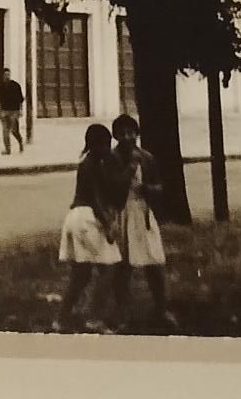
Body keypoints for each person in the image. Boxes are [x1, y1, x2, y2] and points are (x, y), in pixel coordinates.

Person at [54, 123, 124, 333]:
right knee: (108, 268)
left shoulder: (89, 162)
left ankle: (62, 317)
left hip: (75, 217)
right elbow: (96, 199)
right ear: (96, 145)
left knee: (81, 274)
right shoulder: (91, 165)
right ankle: (93, 316)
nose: (108, 148)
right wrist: (108, 225)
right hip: (87, 218)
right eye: (105, 144)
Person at [109, 114, 174, 331]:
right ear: (116, 136)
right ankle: (122, 313)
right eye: (122, 133)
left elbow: (159, 187)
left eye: (132, 132)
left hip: (142, 212)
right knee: (123, 265)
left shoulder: (147, 158)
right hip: (121, 212)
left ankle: (161, 309)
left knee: (154, 262)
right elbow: (112, 188)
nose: (128, 137)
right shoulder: (112, 159)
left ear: (137, 134)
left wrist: (147, 189)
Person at [0, 67, 26, 155]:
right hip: (5, 110)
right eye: (5, 75)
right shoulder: (1, 86)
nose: (7, 76)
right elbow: (0, 99)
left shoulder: (16, 85)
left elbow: (21, 99)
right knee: (5, 131)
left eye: (8, 74)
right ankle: (7, 149)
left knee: (14, 131)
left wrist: (20, 110)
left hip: (14, 111)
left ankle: (20, 142)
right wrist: (0, 110)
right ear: (2, 76)